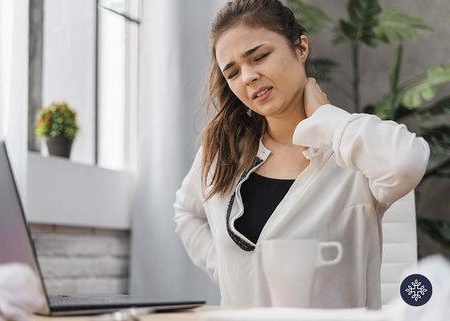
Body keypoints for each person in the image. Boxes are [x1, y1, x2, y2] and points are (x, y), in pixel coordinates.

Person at [173, 0, 430, 310]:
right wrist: (227, 266)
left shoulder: (349, 150)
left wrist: (324, 117)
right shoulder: (223, 152)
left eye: (260, 56)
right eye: (233, 72)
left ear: (301, 48)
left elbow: (406, 163)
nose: (248, 77)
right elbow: (186, 212)